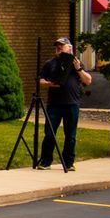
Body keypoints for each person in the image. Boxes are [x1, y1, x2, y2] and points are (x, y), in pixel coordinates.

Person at [39, 36, 94, 173]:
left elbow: (88, 81)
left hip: (71, 104)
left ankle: (68, 163)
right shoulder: (50, 63)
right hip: (54, 104)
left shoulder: (76, 63)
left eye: (61, 45)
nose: (58, 48)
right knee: (50, 134)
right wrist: (49, 84)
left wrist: (79, 69)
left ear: (69, 48)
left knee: (70, 135)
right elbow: (40, 80)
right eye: (57, 46)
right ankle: (45, 161)